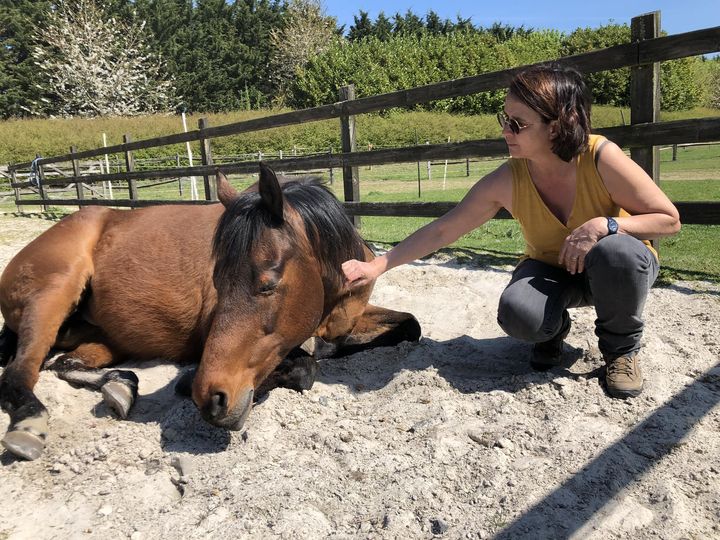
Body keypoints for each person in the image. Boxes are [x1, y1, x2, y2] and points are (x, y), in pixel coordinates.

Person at [341, 63, 680, 399]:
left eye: (518, 124)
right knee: (519, 315)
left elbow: (668, 219)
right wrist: (378, 265)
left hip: (616, 269)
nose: (506, 131)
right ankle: (553, 330)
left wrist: (606, 225)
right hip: (553, 270)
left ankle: (621, 353)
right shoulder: (509, 178)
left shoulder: (600, 156)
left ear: (558, 125)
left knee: (615, 251)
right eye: (505, 120)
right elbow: (445, 230)